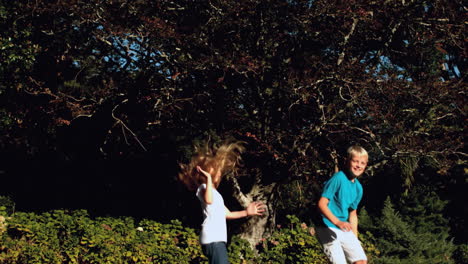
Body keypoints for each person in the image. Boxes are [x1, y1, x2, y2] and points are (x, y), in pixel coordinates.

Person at [178, 140, 265, 264]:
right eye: (217, 170)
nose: (220, 173)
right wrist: (208, 179)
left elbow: (227, 214)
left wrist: (246, 212)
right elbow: (208, 200)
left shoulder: (216, 194)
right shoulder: (203, 189)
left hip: (217, 239)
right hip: (212, 238)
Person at [316, 146, 369, 264]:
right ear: (347, 161)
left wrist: (354, 238)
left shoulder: (358, 188)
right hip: (327, 226)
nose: (358, 165)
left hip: (343, 227)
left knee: (361, 261)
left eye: (362, 163)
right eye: (355, 161)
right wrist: (337, 222)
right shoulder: (338, 178)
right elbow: (321, 204)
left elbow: (353, 214)